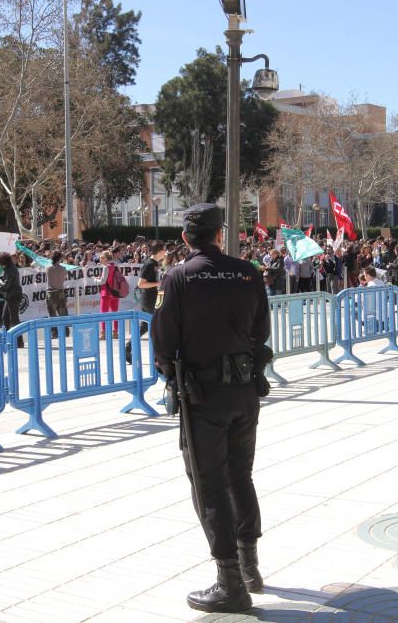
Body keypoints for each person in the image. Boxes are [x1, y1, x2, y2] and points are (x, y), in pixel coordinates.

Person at [152, 203, 270, 614]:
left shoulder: (179, 277)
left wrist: (171, 375)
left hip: (203, 395)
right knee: (241, 475)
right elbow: (262, 332)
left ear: (186, 237)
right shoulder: (247, 272)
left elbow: (164, 342)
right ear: (221, 234)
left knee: (209, 484)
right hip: (243, 391)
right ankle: (250, 566)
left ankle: (230, 582)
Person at [0, 253, 24, 341]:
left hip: (14, 296)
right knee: (5, 317)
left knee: (14, 319)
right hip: (10, 296)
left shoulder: (10, 270)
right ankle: (7, 338)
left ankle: (19, 341)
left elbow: (6, 285)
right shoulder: (8, 268)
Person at [45, 251, 70, 326]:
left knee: (52, 315)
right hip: (60, 292)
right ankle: (66, 331)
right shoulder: (63, 268)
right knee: (63, 314)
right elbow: (65, 275)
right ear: (60, 258)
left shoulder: (47, 268)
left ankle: (54, 332)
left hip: (51, 293)